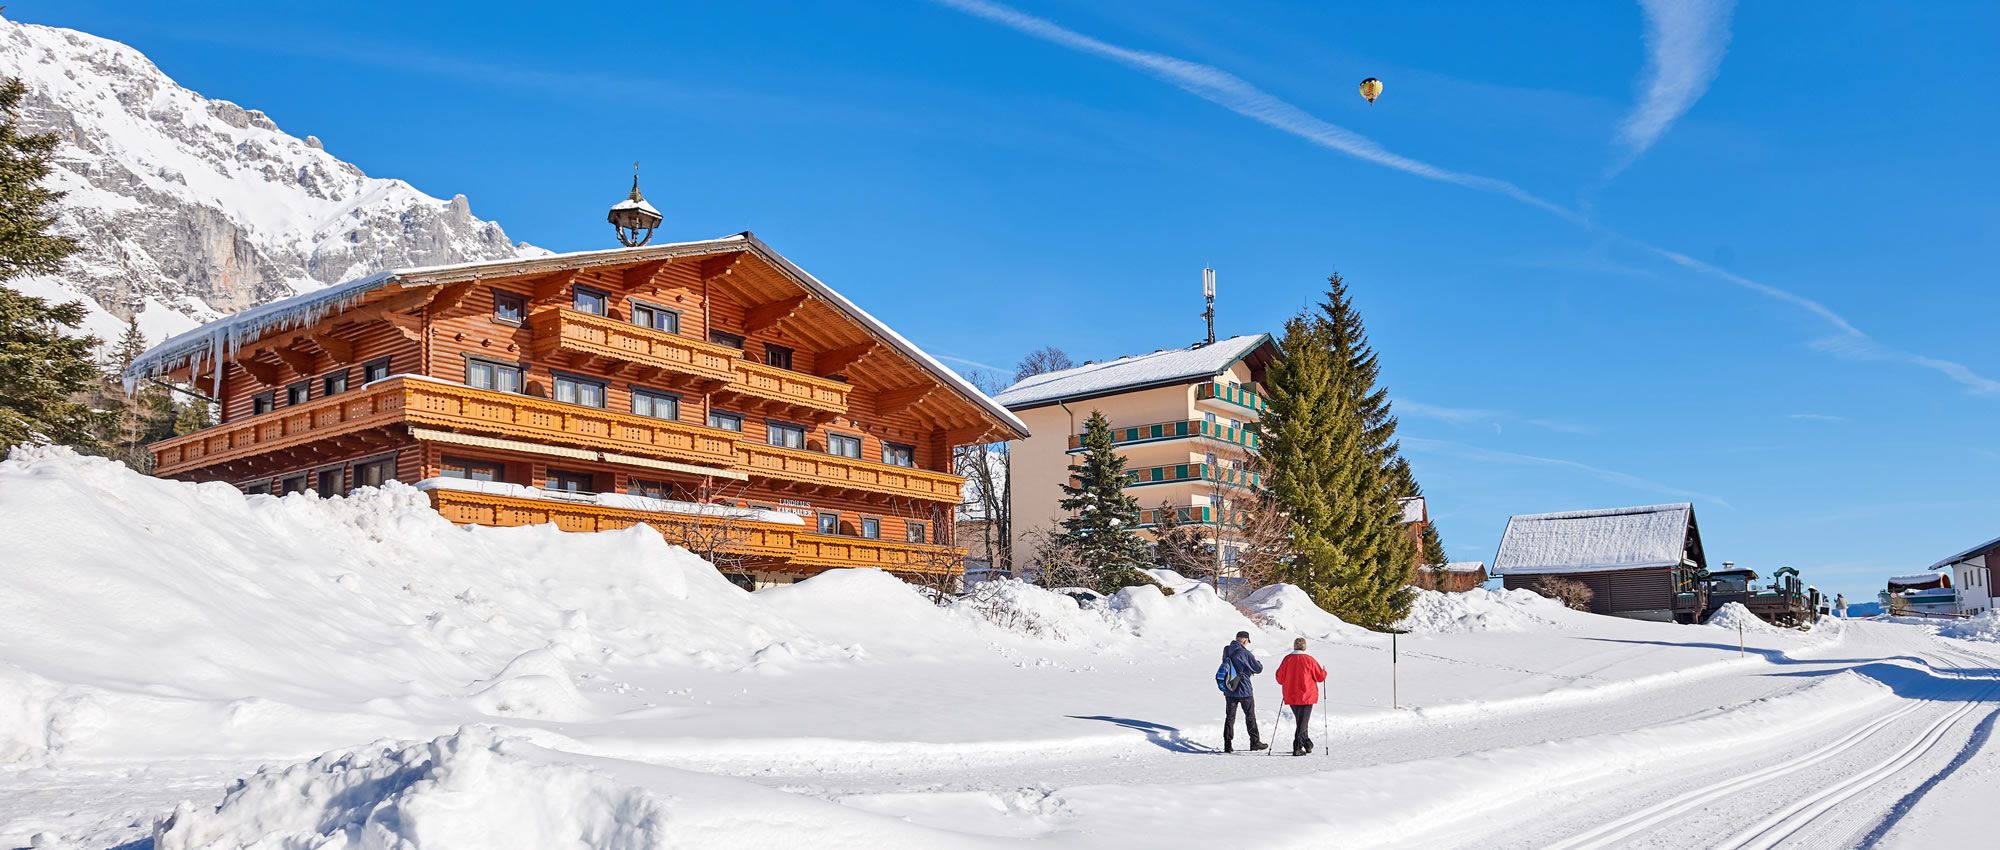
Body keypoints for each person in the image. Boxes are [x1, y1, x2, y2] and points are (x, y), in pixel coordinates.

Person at [1273, 636, 1328, 756]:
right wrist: (1324, 671)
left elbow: (1279, 677)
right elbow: (1320, 677)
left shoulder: (1287, 659)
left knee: (1301, 720)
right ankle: (1297, 746)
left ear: (1294, 646)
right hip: (1307, 695)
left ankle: (1307, 743)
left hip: (1291, 694)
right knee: (1303, 721)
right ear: (1305, 647)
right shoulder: (1309, 659)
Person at [1219, 630, 1266, 752]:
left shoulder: (1226, 649)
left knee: (1230, 717)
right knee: (1250, 716)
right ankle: (1254, 742)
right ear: (1245, 640)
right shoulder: (1244, 652)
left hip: (1229, 688)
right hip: (1244, 689)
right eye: (1247, 641)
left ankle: (1227, 744)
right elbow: (1258, 668)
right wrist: (1258, 663)